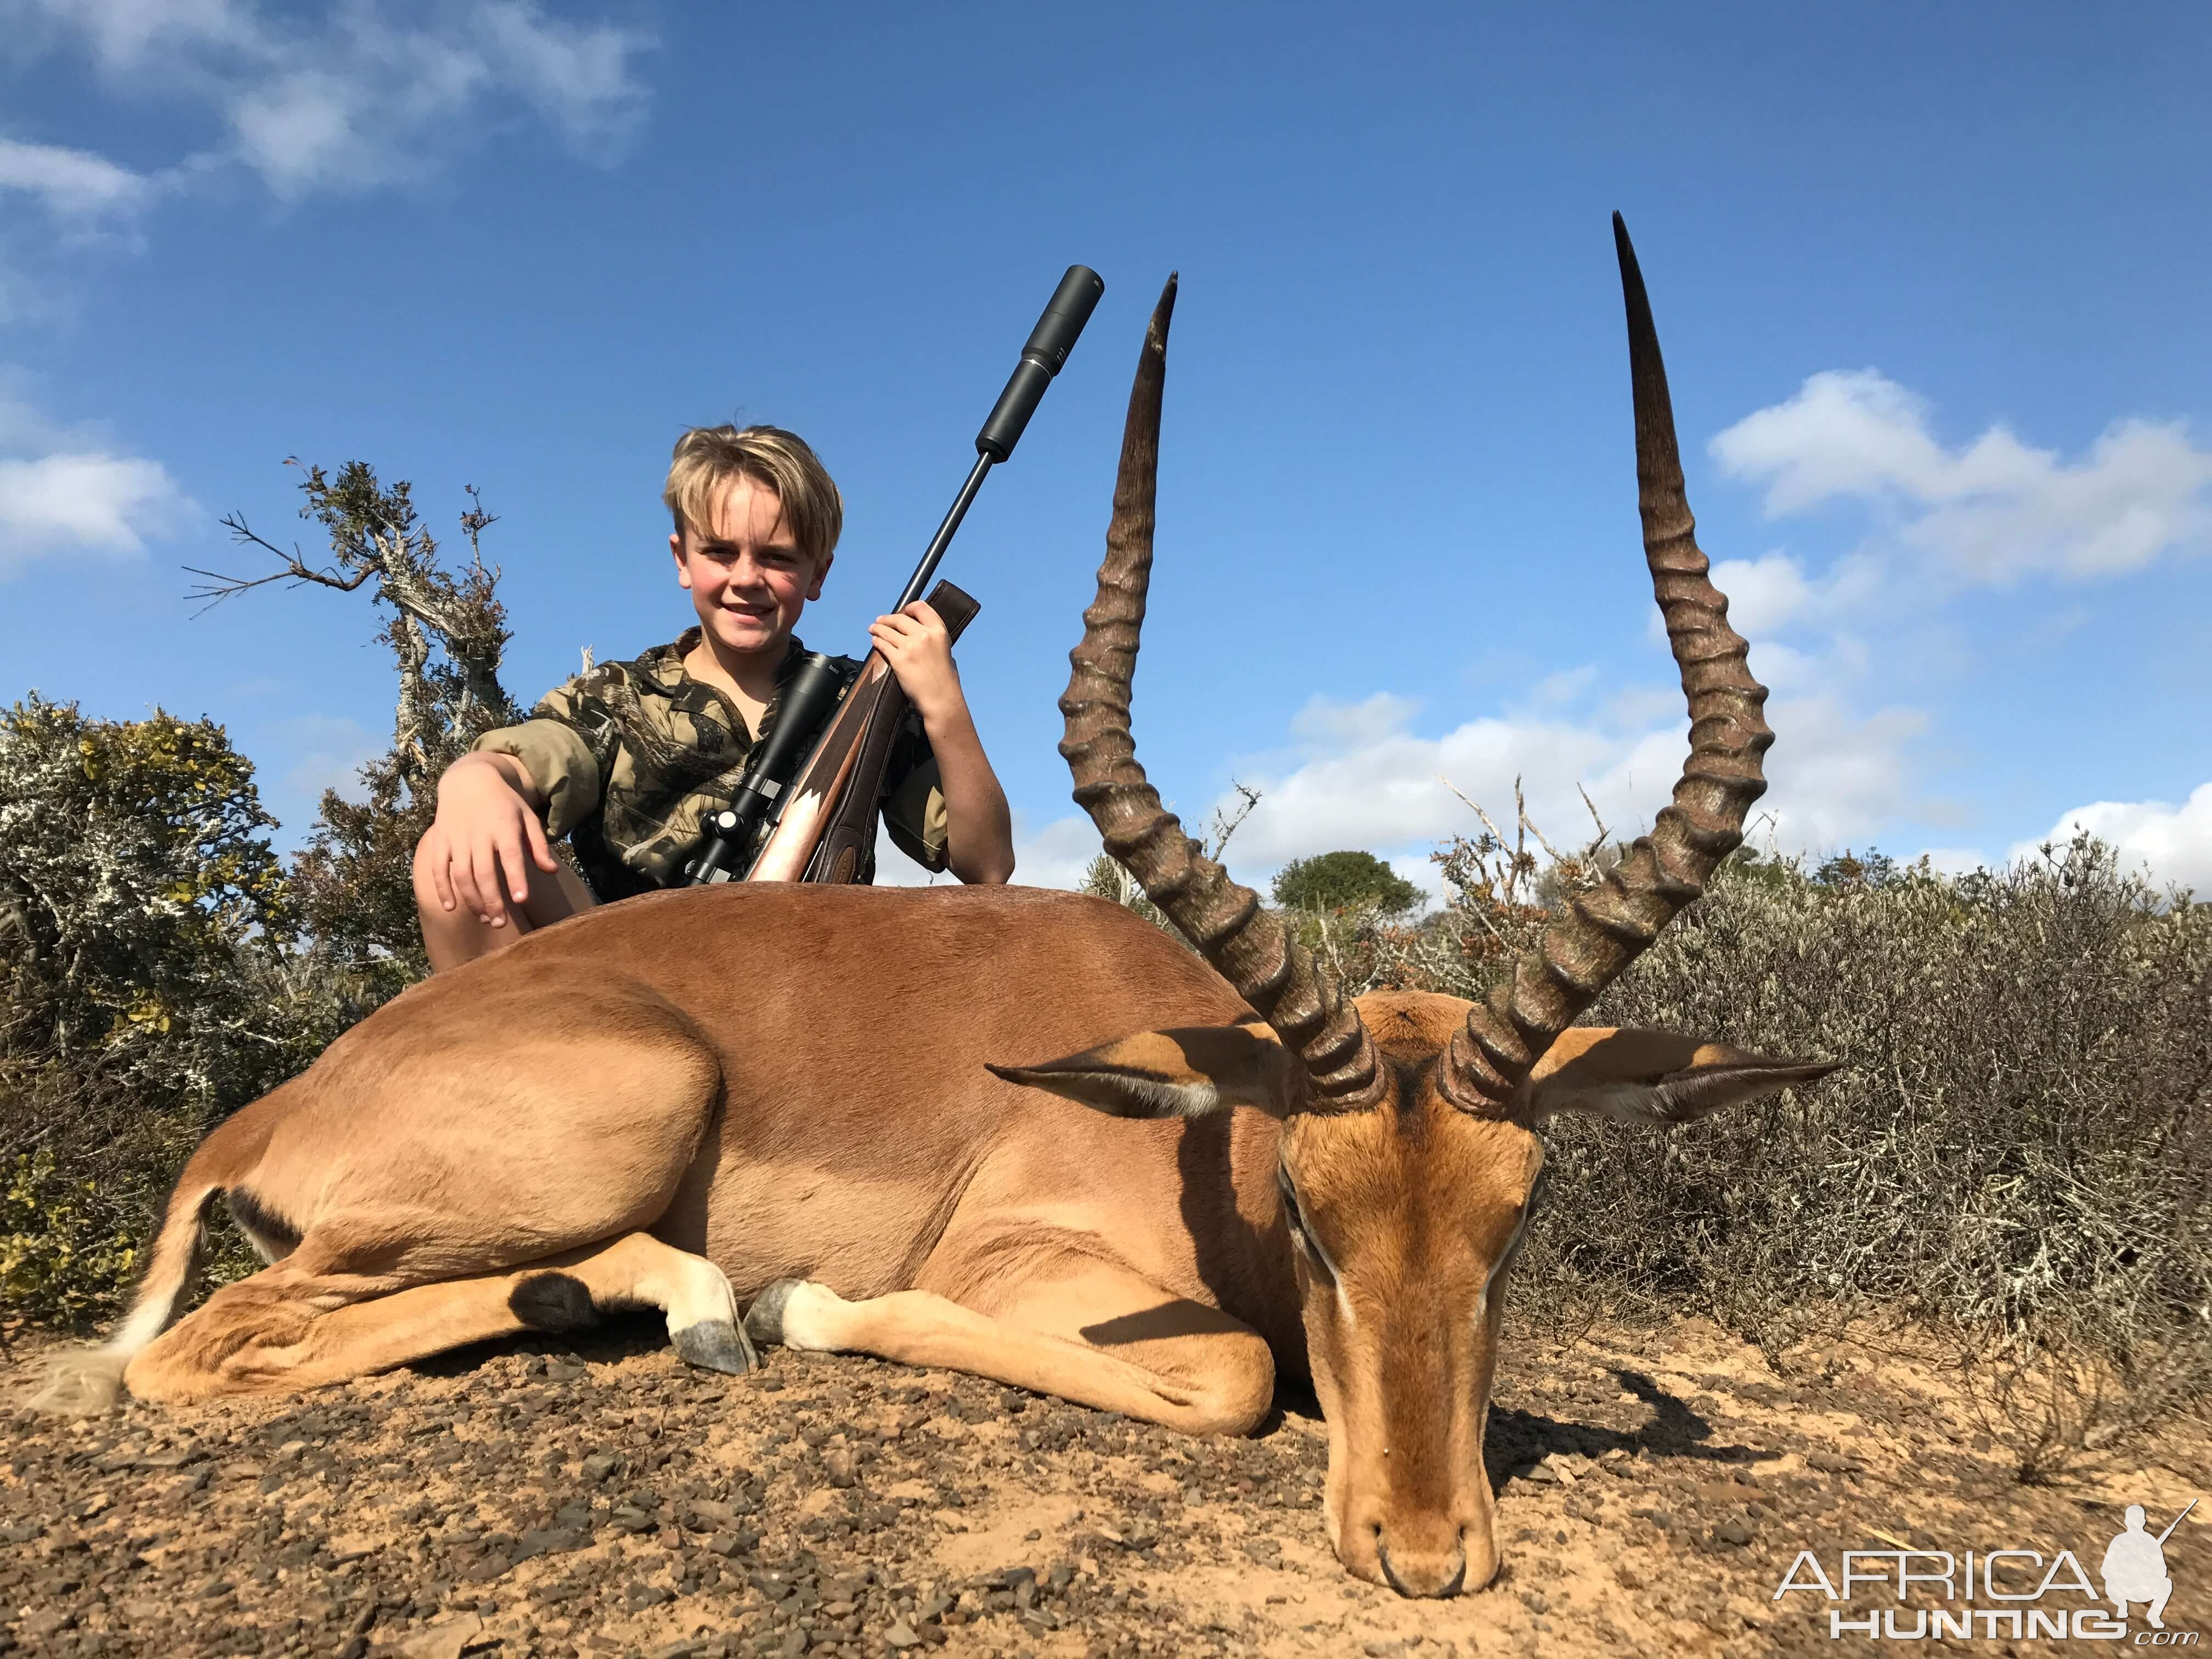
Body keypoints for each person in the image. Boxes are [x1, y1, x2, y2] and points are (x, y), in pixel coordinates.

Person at [413, 424, 1015, 972]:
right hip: (618, 980)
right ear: (683, 559)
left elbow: (987, 867)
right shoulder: (618, 694)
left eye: (778, 558)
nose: (747, 577)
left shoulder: (862, 708)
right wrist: (472, 780)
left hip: (799, 992)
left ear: (818, 573)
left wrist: (943, 707)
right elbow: (530, 757)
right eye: (721, 552)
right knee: (452, 856)